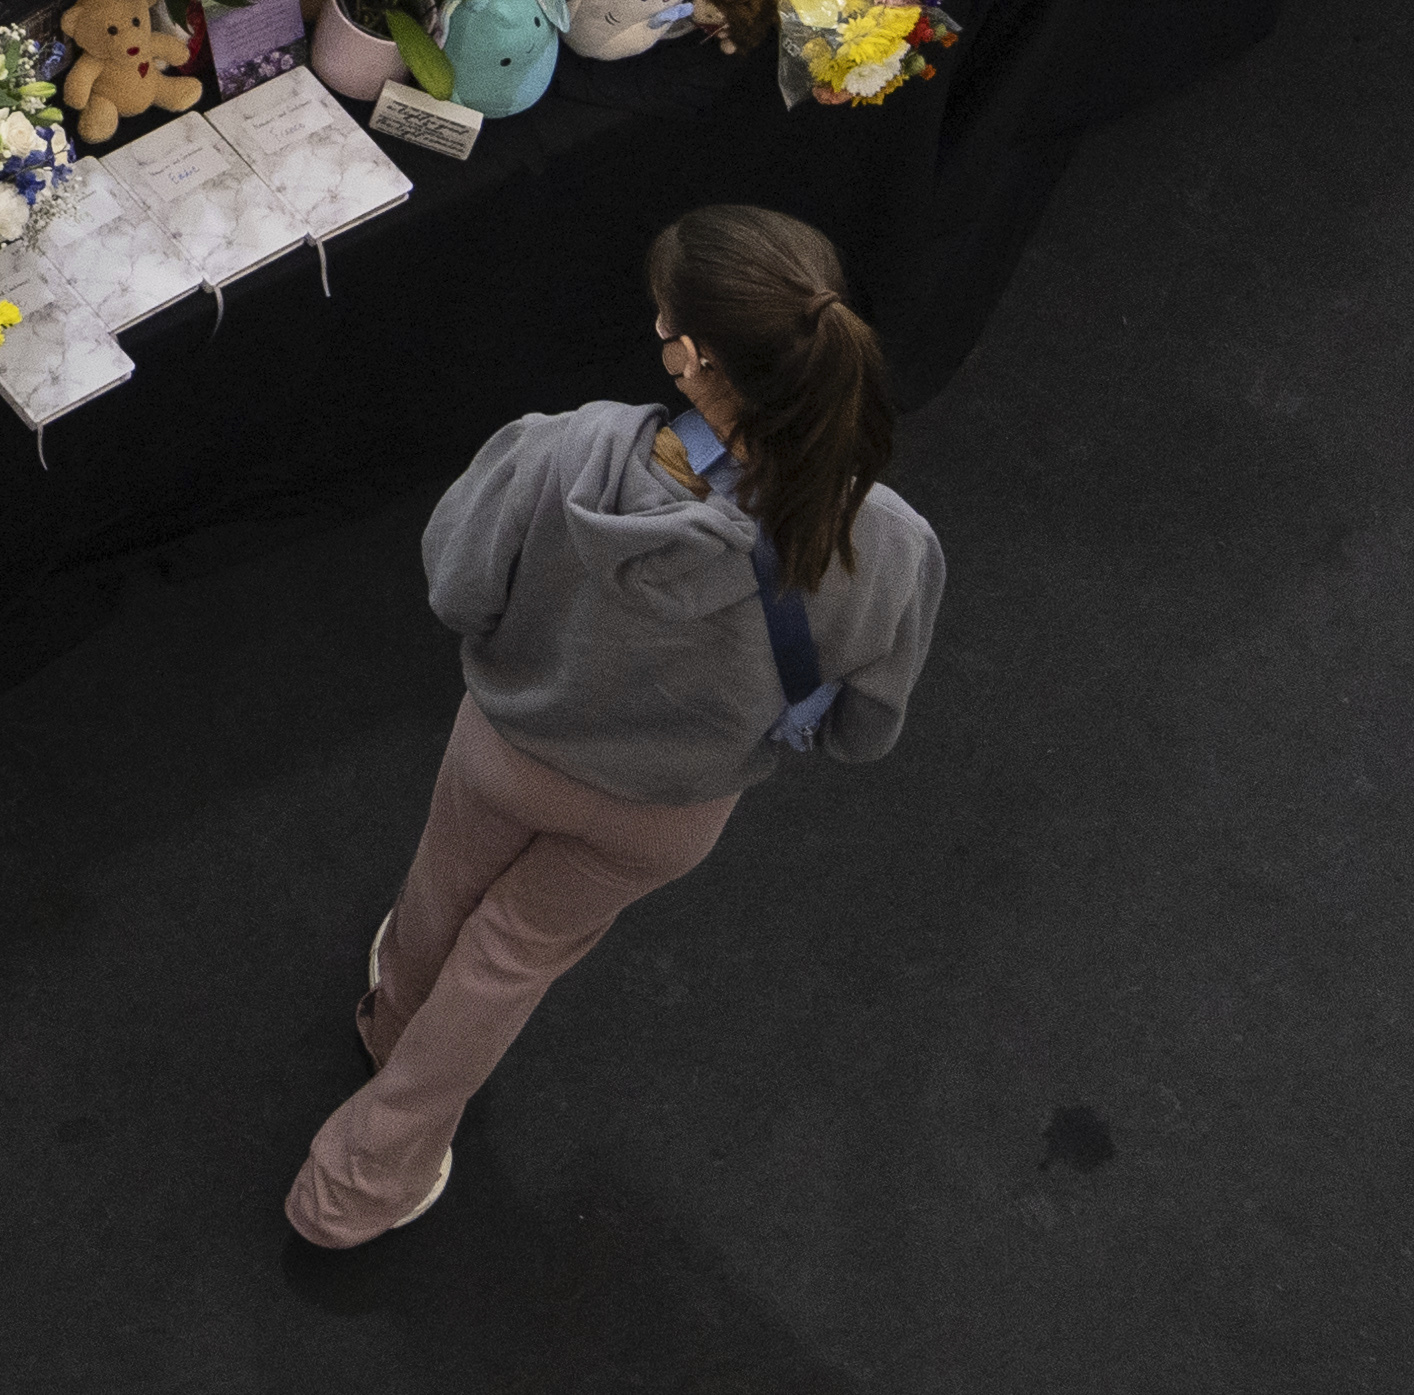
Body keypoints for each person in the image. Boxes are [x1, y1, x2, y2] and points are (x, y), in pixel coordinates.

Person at [287, 203, 944, 1245]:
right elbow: (864, 723)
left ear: (687, 355)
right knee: (511, 959)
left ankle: (389, 1018)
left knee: (442, 883)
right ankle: (360, 1180)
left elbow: (457, 587)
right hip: (664, 811)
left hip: (507, 746)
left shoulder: (567, 451)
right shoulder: (889, 541)